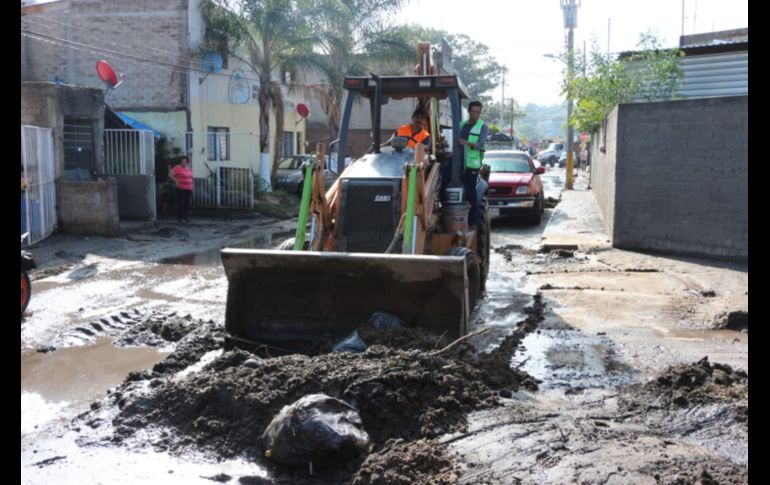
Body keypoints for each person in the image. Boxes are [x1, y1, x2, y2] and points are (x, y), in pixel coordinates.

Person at [458, 100, 488, 227]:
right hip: (458, 162)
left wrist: (466, 143)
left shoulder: (483, 126)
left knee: (471, 192)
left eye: (478, 112)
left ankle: (474, 220)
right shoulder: (462, 124)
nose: (475, 114)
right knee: (442, 180)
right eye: (473, 111)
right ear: (469, 111)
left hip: (472, 164)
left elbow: (479, 145)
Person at [168, 156, 193, 223]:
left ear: (187, 162)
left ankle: (185, 217)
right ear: (180, 162)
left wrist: (192, 185)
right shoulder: (177, 168)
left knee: (187, 204)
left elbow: (191, 177)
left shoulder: (189, 169)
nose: (184, 163)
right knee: (181, 203)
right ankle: (181, 218)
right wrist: (176, 181)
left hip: (189, 188)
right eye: (182, 161)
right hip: (181, 188)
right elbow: (170, 175)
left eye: (185, 161)